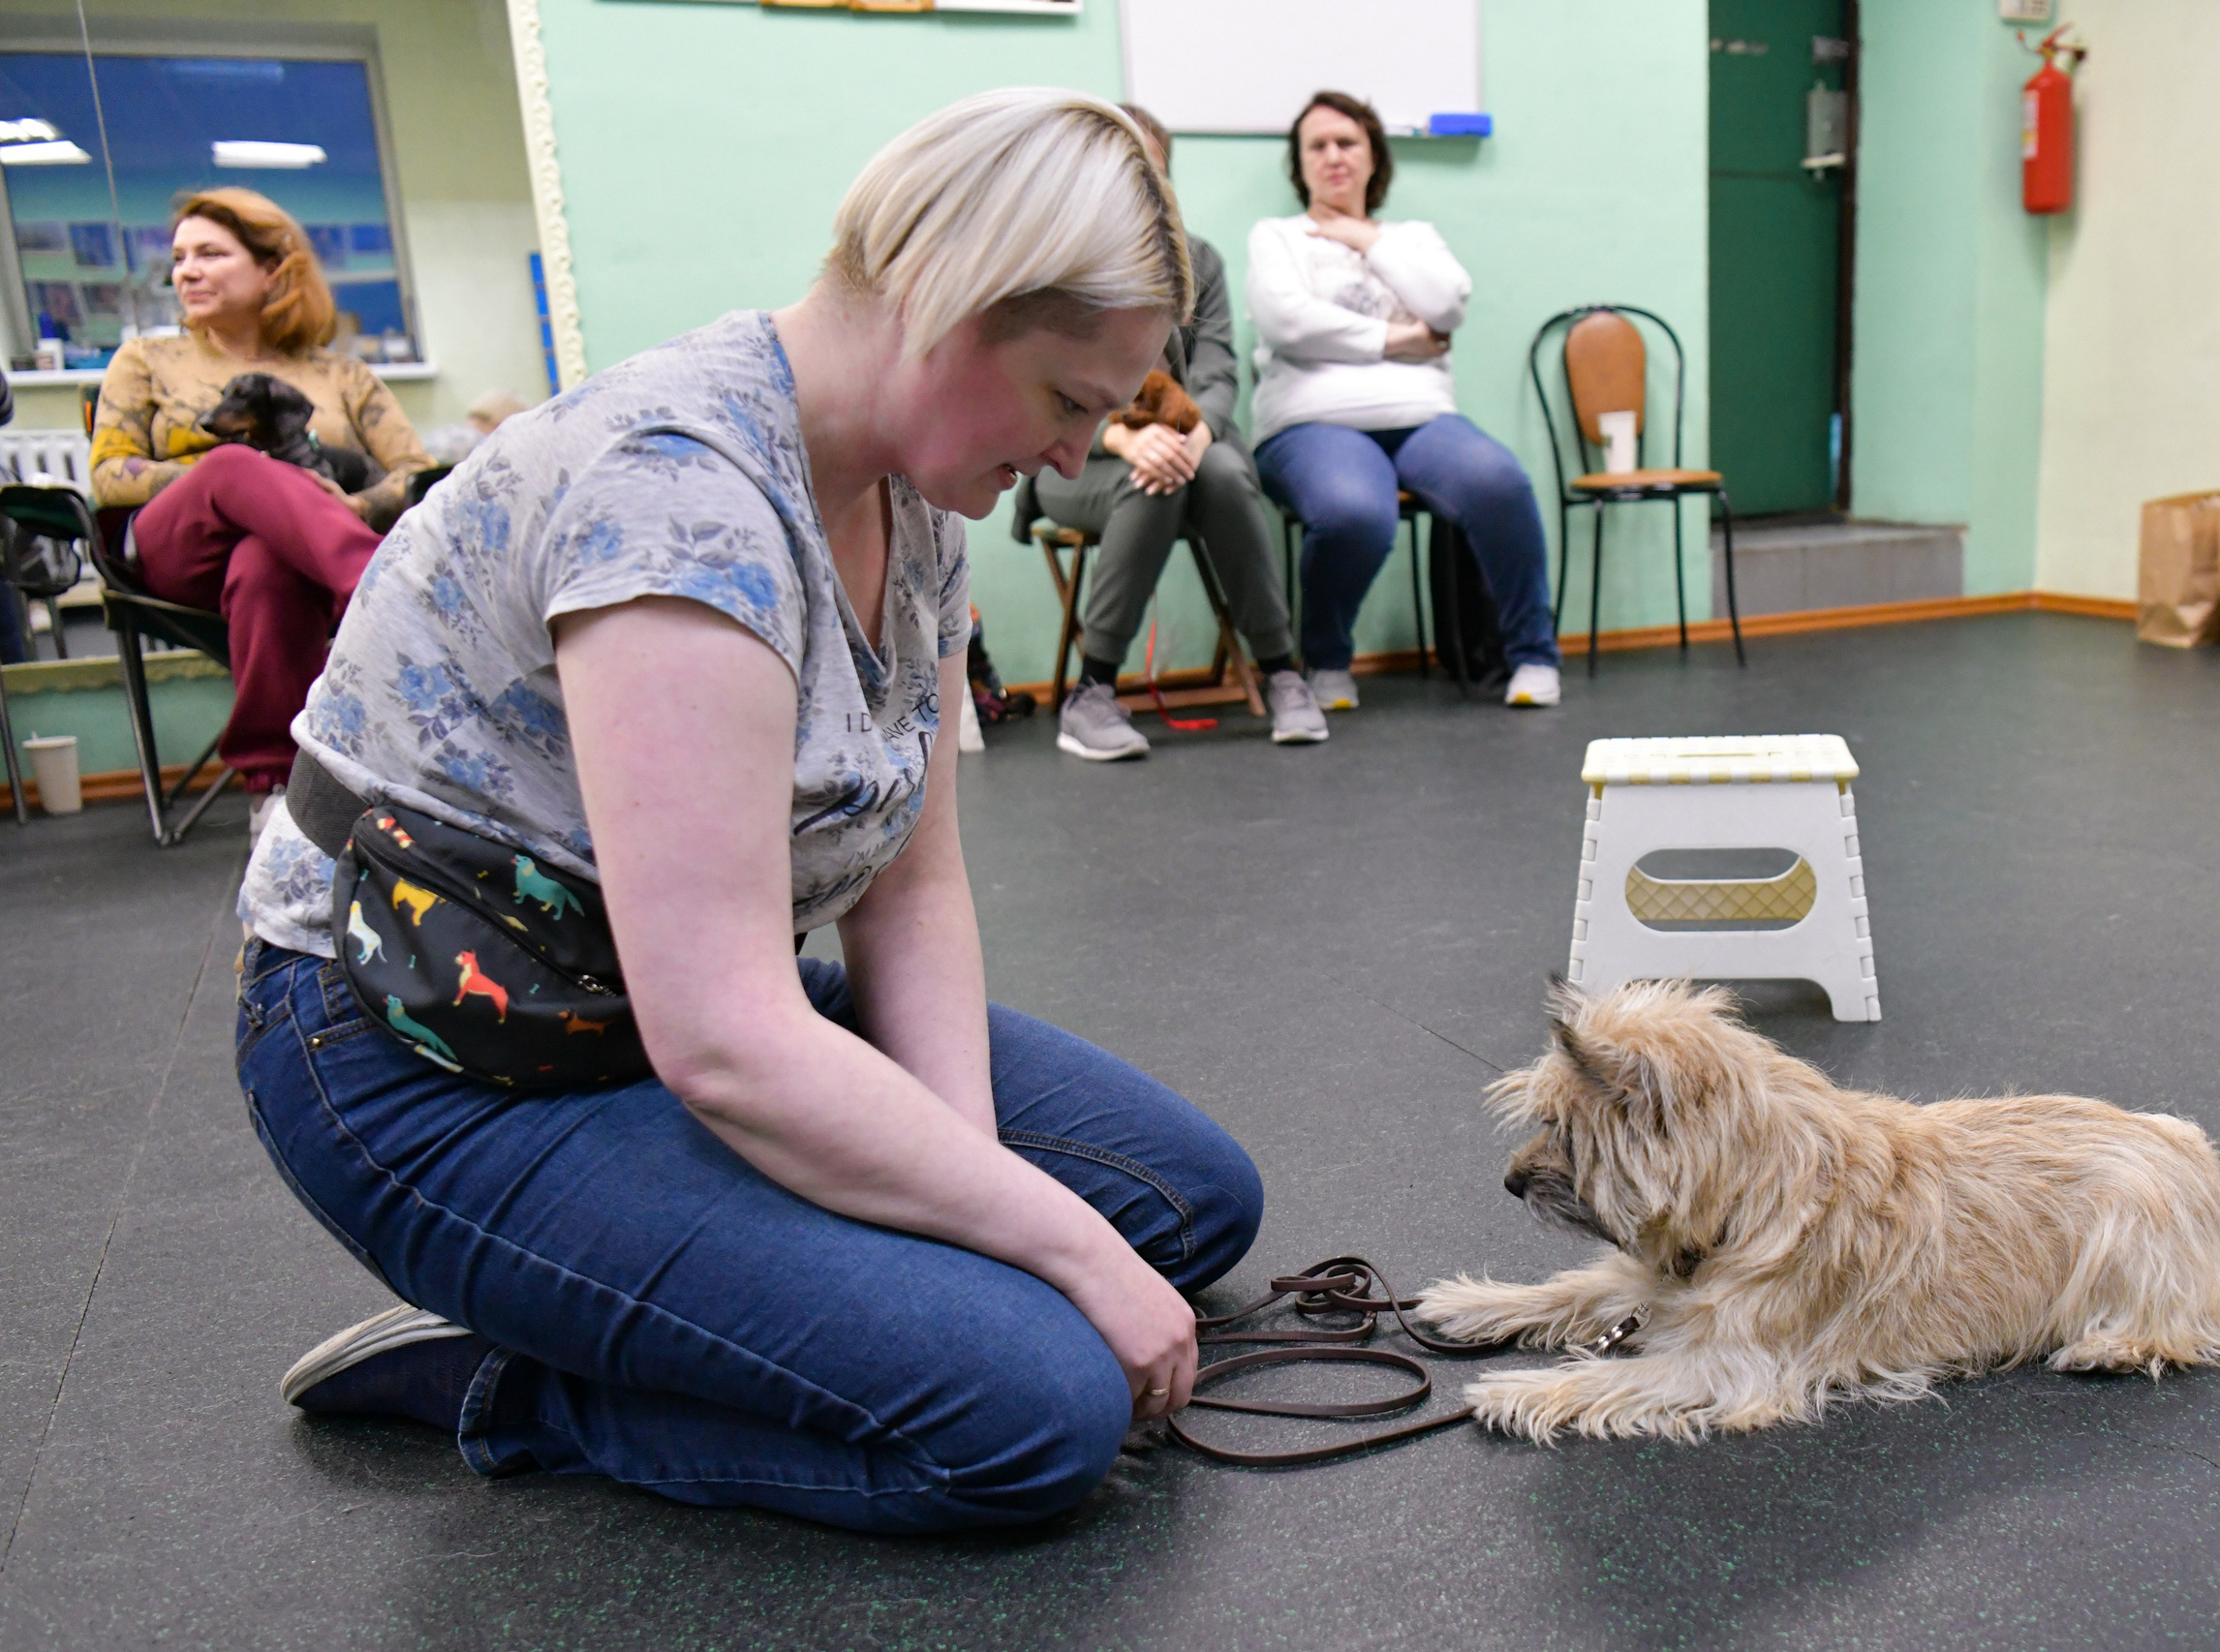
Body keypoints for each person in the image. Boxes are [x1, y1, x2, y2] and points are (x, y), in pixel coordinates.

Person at [233, 89, 1261, 1535]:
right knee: (1034, 1416)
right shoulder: (683, 503)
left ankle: (689, 1297)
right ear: (944, 307)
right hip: (427, 1050)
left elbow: (913, 887)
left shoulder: (915, 503)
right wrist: (1038, 1255)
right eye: (1069, 401)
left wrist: (976, 1207)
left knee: (1187, 1197)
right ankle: (508, 1382)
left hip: (652, 1004)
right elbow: (720, 1035)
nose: (1082, 455)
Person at [90, 188, 431, 833]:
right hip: (175, 548)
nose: (186, 271)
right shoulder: (145, 360)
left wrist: (347, 501)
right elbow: (110, 475)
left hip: (292, 556)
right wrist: (242, 483)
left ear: (275, 267)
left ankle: (275, 791)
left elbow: (415, 474)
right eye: (180, 257)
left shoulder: (343, 376)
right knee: (236, 465)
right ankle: (391, 598)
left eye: (211, 254)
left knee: (268, 560)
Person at [1015, 104, 1324, 758]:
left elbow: (1217, 371)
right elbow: (1037, 396)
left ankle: (1284, 676)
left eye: (1147, 171)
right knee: (1148, 480)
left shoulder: (1199, 262)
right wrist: (1125, 438)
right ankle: (1092, 693)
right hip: (1075, 461)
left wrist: (1195, 436)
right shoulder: (1053, 266)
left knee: (1221, 471)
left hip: (1185, 447)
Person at [1247, 91, 1563, 710]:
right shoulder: (1278, 236)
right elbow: (1288, 323)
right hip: (1311, 423)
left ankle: (1533, 655)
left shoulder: (1413, 238)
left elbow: (1446, 305)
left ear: (1373, 158)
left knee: (1501, 483)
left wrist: (1368, 241)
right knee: (1355, 513)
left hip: (1421, 417)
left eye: (1348, 143)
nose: (1333, 156)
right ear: (1299, 163)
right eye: (1317, 145)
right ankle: (1329, 661)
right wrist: (1399, 339)